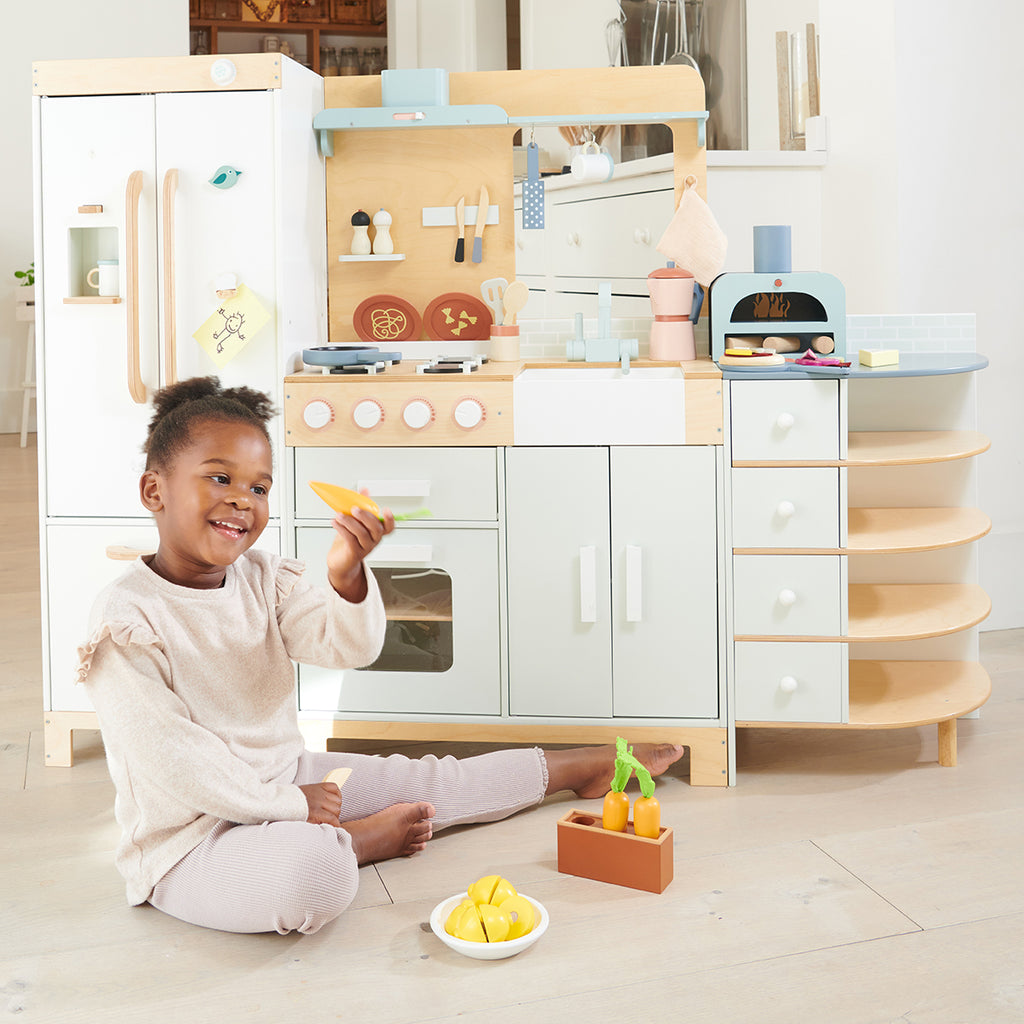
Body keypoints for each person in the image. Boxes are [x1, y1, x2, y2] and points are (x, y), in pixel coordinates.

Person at [77, 376, 684, 935]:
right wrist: (294, 809)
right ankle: (356, 843)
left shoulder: (263, 577)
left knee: (431, 778)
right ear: (154, 490)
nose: (243, 500)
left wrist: (346, 577)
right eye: (219, 478)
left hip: (286, 781)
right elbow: (177, 762)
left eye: (258, 487)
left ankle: (574, 768)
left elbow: (349, 646)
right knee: (312, 875)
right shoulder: (123, 620)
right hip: (192, 841)